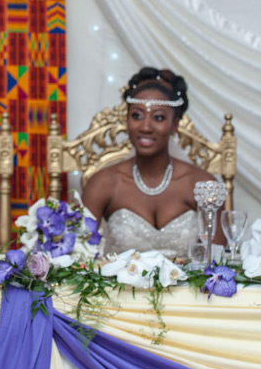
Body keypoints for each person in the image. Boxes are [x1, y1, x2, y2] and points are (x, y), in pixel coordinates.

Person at [82, 67, 222, 258]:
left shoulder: (202, 184)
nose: (146, 127)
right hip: (120, 288)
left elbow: (220, 262)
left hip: (189, 289)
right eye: (137, 116)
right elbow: (79, 256)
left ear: (174, 125)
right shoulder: (103, 183)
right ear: (127, 120)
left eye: (158, 117)